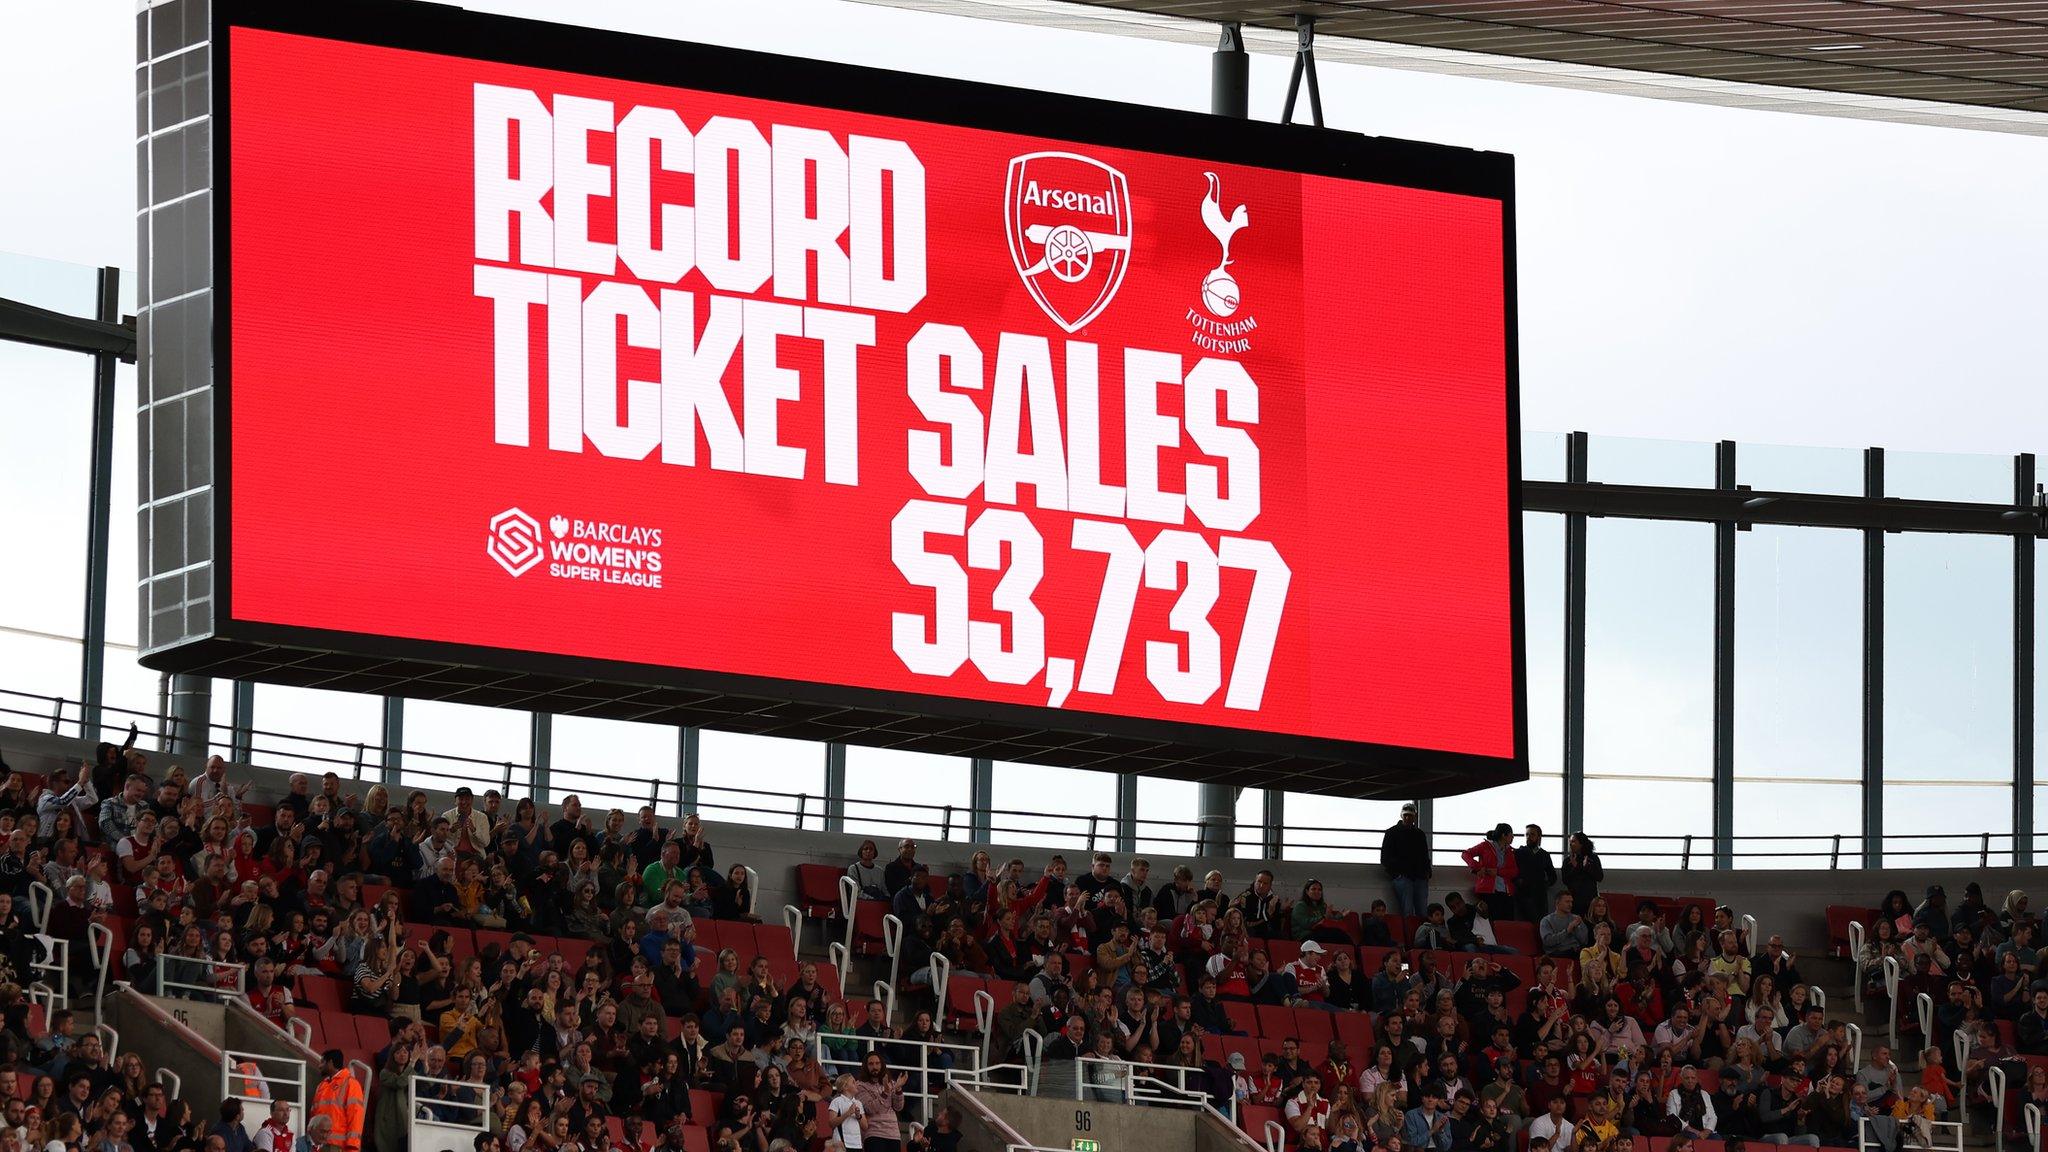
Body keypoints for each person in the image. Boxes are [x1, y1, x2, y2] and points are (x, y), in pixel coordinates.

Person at [1380, 804, 1431, 919]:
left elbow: (1385, 858)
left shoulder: (1392, 832)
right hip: (1411, 876)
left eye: (1410, 816)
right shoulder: (1418, 834)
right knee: (1416, 912)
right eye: (1406, 815)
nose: (1408, 818)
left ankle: (1412, 935)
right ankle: (1418, 936)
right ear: (1402, 816)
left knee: (1415, 913)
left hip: (1413, 876)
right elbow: (1385, 858)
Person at [308, 1050, 364, 1152]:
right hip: (319, 1146)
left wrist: (352, 1147)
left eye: (322, 1062)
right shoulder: (321, 1086)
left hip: (338, 1147)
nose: (319, 1066)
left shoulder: (351, 1084)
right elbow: (313, 1116)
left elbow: (355, 1117)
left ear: (330, 1063)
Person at [1461, 825, 1519, 922]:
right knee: (1490, 921)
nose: (1513, 837)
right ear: (1504, 835)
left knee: (1507, 922)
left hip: (1506, 892)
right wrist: (1478, 867)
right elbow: (1466, 854)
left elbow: (1514, 871)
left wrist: (1498, 872)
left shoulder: (1510, 851)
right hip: (1488, 892)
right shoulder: (1485, 846)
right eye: (1511, 835)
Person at [1514, 826, 1558, 924]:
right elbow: (1512, 872)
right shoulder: (1519, 853)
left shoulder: (1544, 855)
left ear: (1539, 837)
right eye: (1527, 834)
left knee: (1539, 925)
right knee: (1522, 926)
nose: (1529, 837)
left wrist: (1544, 885)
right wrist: (1518, 881)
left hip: (1539, 898)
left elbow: (1553, 876)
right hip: (1522, 895)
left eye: (1532, 834)